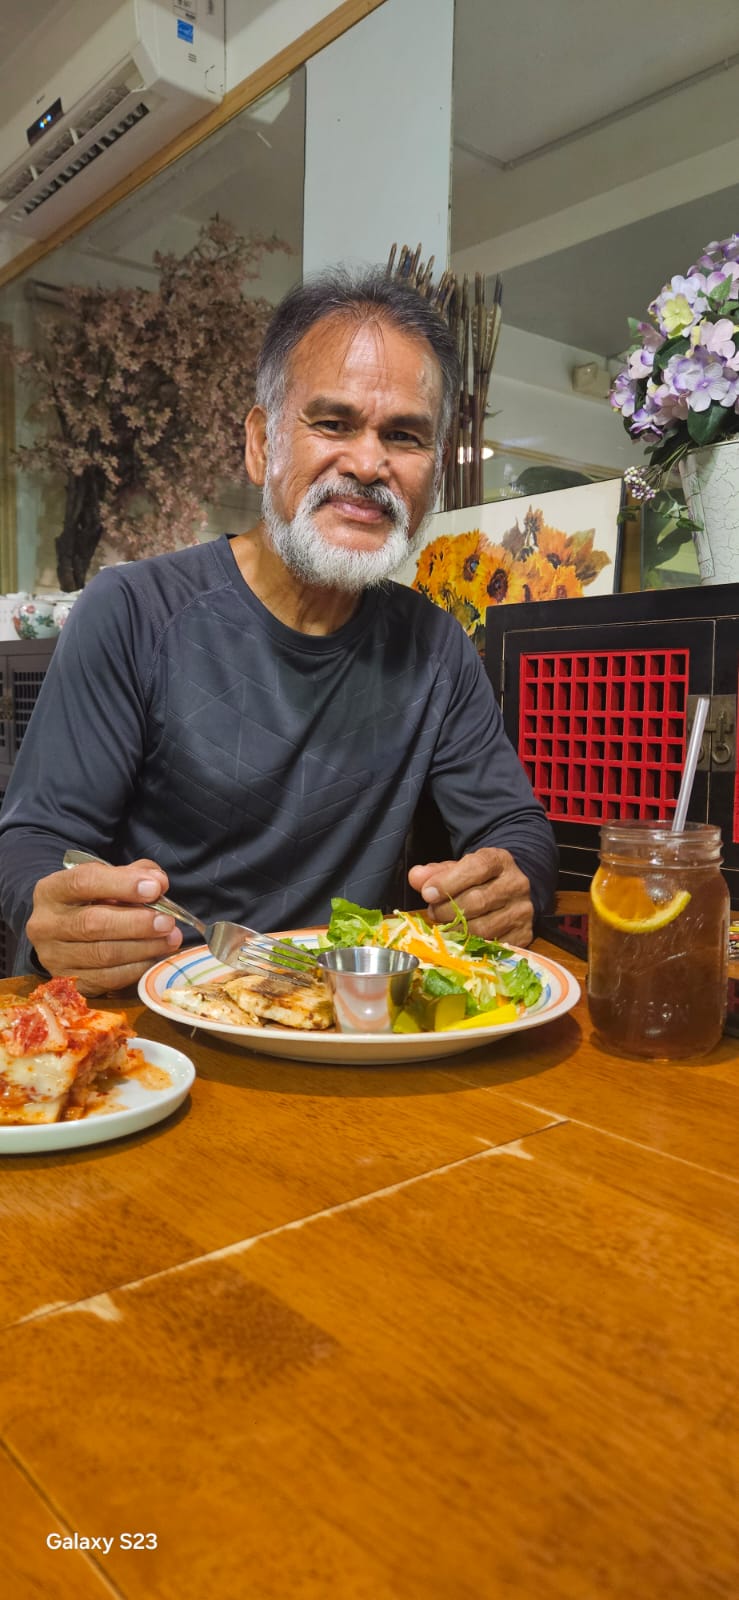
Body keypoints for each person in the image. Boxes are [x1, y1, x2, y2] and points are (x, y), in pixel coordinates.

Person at [0, 268, 558, 995]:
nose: (367, 462)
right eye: (332, 422)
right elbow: (35, 839)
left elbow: (516, 829)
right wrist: (54, 911)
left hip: (356, 1028)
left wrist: (510, 883)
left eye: (404, 435)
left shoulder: (436, 648)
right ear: (262, 443)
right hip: (160, 1021)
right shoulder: (133, 610)